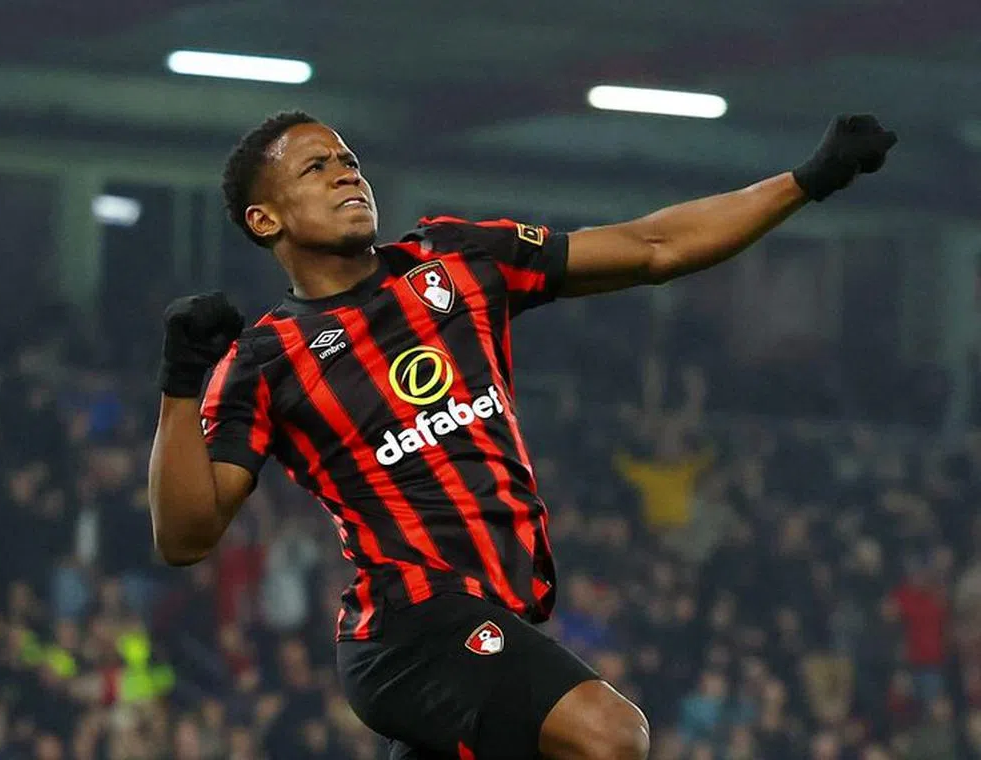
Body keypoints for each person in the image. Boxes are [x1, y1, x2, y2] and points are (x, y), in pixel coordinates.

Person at [147, 110, 897, 760]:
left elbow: (651, 247)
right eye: (317, 167)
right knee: (609, 735)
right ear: (264, 219)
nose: (347, 175)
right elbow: (185, 535)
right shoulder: (265, 363)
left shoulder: (457, 261)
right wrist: (183, 381)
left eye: (349, 159)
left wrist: (808, 179)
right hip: (411, 628)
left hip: (499, 611)